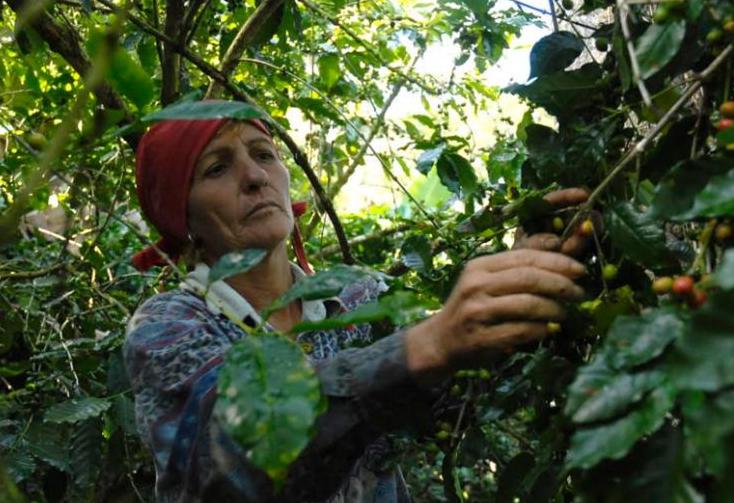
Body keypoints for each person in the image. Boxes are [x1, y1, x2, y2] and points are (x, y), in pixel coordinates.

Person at [123, 106, 590, 503]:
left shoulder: (359, 297)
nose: (254, 176)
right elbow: (225, 464)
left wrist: (514, 295)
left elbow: (448, 409)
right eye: (217, 168)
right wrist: (422, 347)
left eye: (264, 154)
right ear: (183, 217)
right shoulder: (169, 327)